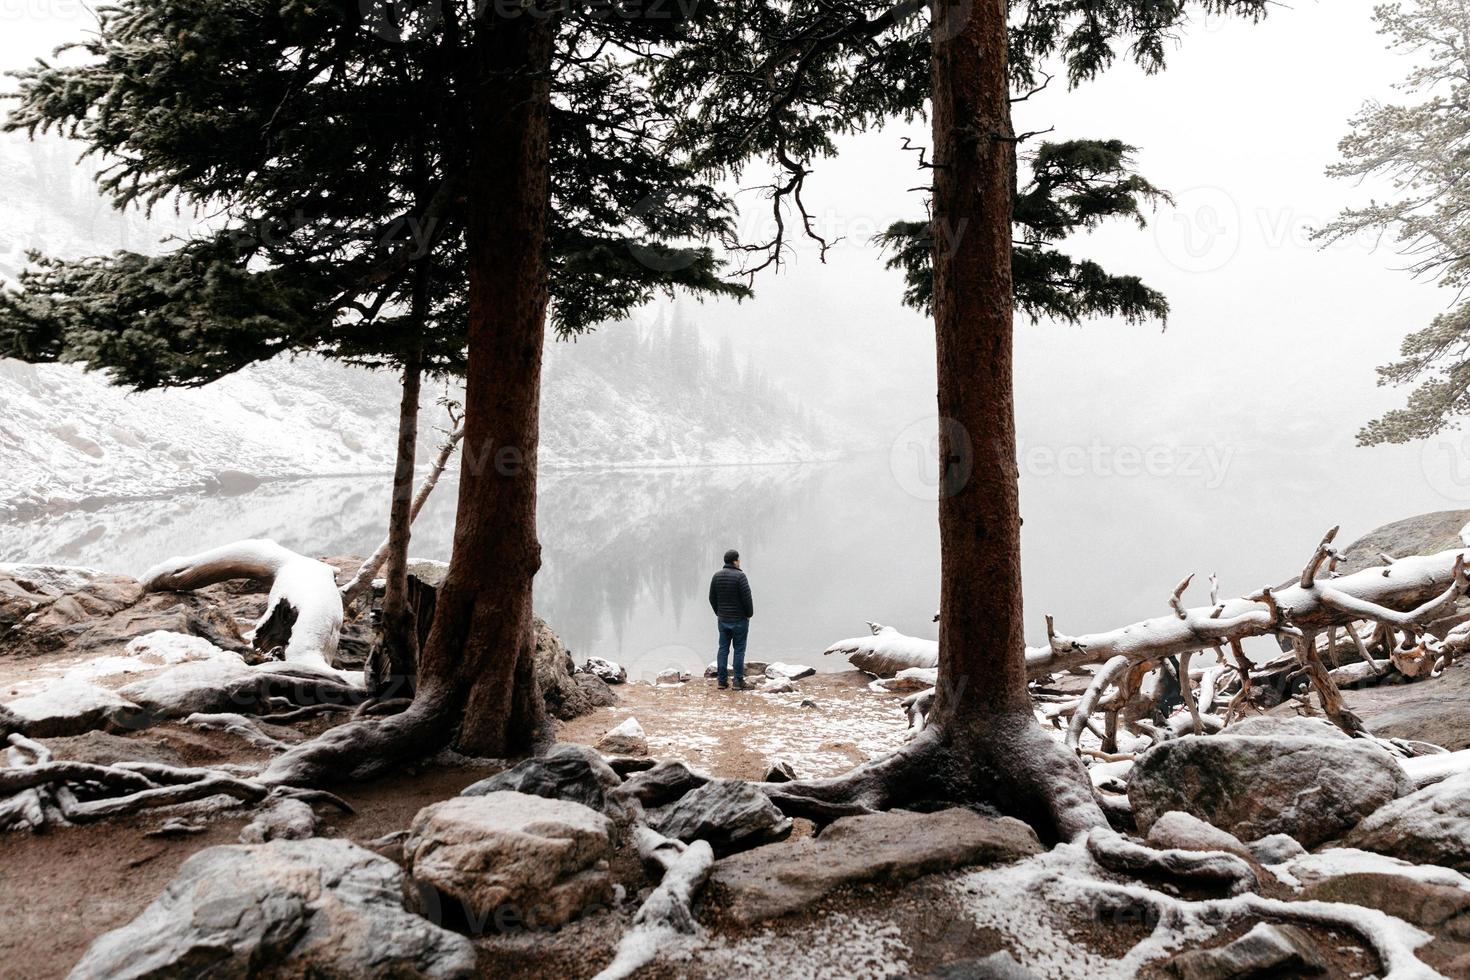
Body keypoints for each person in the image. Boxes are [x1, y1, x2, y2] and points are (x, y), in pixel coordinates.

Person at [708, 548, 753, 689]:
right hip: (739, 620)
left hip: (723, 620)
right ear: (735, 561)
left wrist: (719, 612)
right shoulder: (740, 577)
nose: (739, 562)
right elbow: (747, 599)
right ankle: (738, 682)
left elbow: (711, 598)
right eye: (738, 560)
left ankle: (722, 681)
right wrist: (749, 614)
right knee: (739, 650)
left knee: (723, 649)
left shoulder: (716, 576)